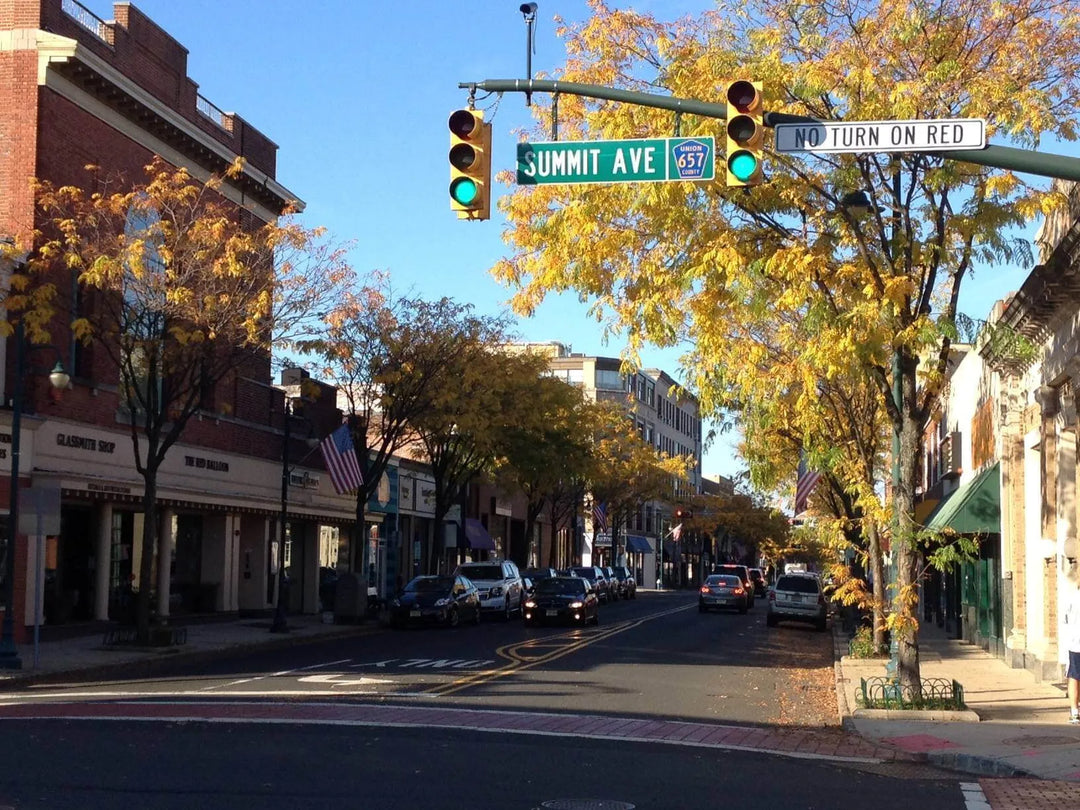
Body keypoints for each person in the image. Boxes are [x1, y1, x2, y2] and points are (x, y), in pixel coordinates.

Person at [1065, 577, 1080, 724]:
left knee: (1074, 676)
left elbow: (1065, 620)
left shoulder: (1072, 598)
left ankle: (1075, 711)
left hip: (1075, 643)